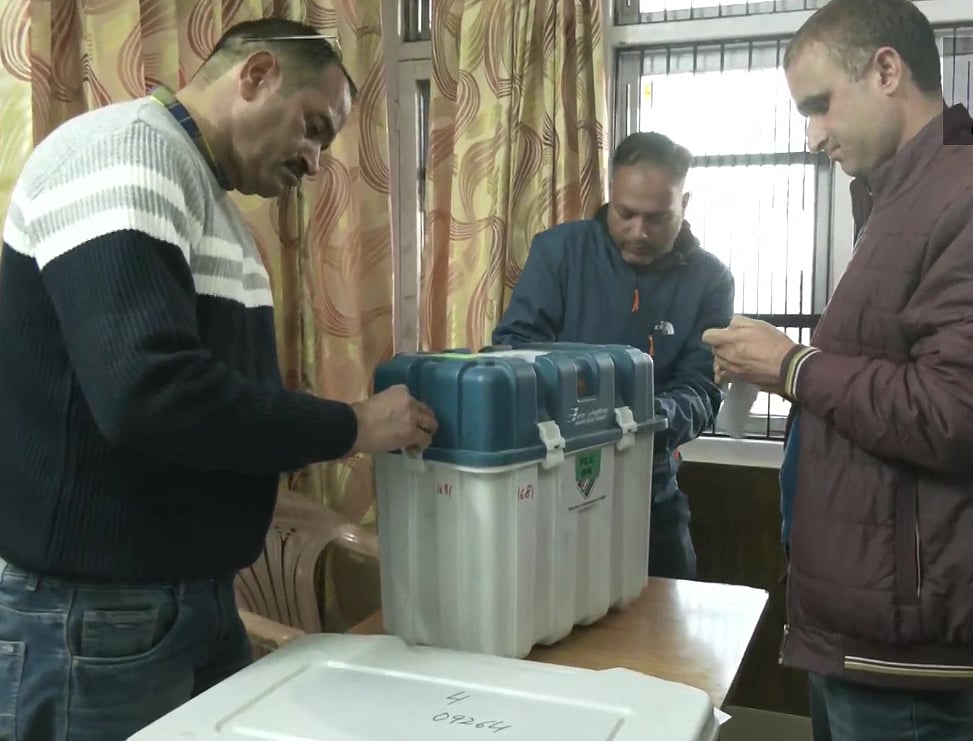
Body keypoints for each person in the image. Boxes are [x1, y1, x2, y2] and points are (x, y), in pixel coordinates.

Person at [0, 18, 437, 741]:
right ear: (256, 73)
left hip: (187, 601)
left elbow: (213, 404)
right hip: (98, 617)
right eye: (312, 128)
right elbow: (149, 392)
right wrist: (353, 424)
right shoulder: (124, 153)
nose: (315, 160)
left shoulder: (211, 206)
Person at [701, 1, 973, 739]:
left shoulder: (958, 195)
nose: (812, 135)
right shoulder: (901, 198)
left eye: (819, 106)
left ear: (886, 70)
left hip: (909, 652)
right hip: (863, 631)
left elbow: (953, 412)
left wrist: (790, 365)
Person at [492, 132, 734, 580]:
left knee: (665, 634)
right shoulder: (559, 251)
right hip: (553, 483)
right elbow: (515, 351)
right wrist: (588, 417)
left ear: (686, 203)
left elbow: (703, 389)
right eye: (625, 214)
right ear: (610, 196)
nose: (638, 232)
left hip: (651, 487)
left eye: (657, 218)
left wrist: (645, 420)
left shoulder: (711, 279)